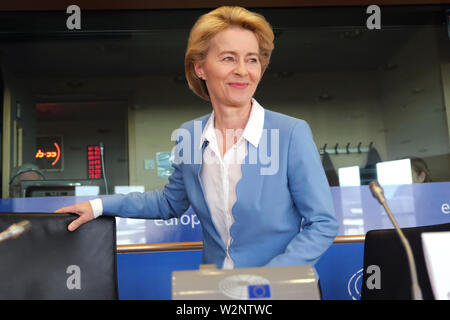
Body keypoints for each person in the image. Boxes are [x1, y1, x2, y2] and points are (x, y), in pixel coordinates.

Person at [56, 6, 338, 269]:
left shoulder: (290, 133)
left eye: (251, 59)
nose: (242, 70)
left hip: (280, 292)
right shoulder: (190, 136)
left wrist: (269, 281)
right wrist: (98, 205)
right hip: (216, 289)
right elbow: (169, 203)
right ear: (200, 68)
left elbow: (322, 223)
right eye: (228, 58)